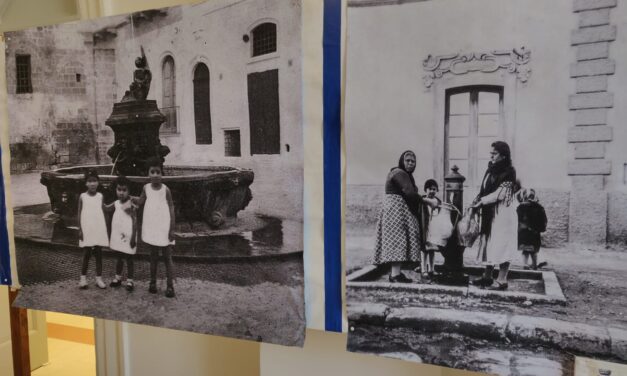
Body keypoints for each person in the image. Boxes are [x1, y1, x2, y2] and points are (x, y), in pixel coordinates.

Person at [373, 150, 439, 283]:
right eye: (407, 160)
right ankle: (395, 275)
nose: (410, 163)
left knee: (399, 240)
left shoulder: (405, 175)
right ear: (402, 161)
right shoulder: (399, 172)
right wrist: (428, 201)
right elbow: (409, 193)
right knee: (397, 240)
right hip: (395, 211)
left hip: (398, 211)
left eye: (413, 161)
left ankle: (396, 273)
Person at [470, 141, 518, 290]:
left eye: (494, 153)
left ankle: (502, 280)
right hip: (489, 212)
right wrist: (477, 200)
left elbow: (501, 194)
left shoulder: (510, 171)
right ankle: (487, 277)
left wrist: (482, 202)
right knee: (489, 243)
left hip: (503, 213)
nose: (491, 155)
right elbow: (484, 189)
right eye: (491, 153)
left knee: (502, 244)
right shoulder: (490, 169)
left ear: (503, 156)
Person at [133, 157, 176, 297]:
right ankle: (152, 282)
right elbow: (140, 202)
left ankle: (170, 286)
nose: (156, 175)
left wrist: (172, 228)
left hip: (164, 226)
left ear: (162, 174)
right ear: (148, 174)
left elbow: (171, 208)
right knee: (153, 256)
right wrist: (130, 199)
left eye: (158, 172)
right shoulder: (146, 188)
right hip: (152, 226)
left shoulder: (166, 190)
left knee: (167, 257)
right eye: (153, 172)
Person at [78, 169, 109, 289]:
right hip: (87, 228)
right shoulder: (82, 196)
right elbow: (79, 213)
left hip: (98, 228)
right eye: (89, 181)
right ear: (86, 183)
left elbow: (105, 210)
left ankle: (99, 278)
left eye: (94, 181)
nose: (92, 184)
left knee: (99, 253)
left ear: (98, 182)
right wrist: (80, 229)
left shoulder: (100, 196)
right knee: (86, 253)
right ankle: (83, 278)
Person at [105, 176, 137, 291]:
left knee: (129, 258)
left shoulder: (130, 204)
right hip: (119, 235)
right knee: (119, 257)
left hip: (128, 235)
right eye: (119, 189)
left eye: (124, 190)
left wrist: (133, 237)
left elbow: (134, 220)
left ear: (129, 191)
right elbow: (107, 208)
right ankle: (118, 278)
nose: (121, 193)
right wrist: (97, 199)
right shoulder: (116, 203)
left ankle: (130, 281)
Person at [516, 188, 548, 270]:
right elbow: (543, 220)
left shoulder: (520, 207)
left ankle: (525, 265)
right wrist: (541, 229)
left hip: (523, 232)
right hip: (534, 232)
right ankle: (534, 265)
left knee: (525, 250)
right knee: (533, 251)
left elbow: (517, 219)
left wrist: (519, 227)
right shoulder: (539, 207)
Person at [421, 179, 442, 280]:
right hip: (424, 228)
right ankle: (423, 269)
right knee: (424, 250)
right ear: (425, 190)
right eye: (430, 189)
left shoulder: (438, 202)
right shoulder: (422, 201)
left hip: (434, 228)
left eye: (434, 189)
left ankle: (432, 269)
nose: (432, 191)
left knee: (432, 250)